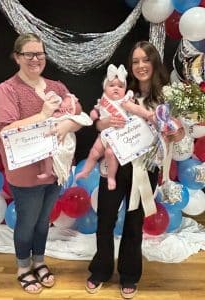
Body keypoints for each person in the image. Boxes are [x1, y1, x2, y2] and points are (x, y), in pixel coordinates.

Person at [0, 33, 86, 294]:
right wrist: (42, 115)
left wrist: (67, 123)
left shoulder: (57, 86)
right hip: (25, 172)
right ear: (17, 57)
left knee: (44, 222)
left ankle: (39, 260)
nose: (35, 59)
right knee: (28, 222)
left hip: (55, 169)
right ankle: (23, 267)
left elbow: (79, 115)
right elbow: (5, 130)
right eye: (29, 54)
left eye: (40, 54)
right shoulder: (6, 90)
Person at [85, 41, 171, 299]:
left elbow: (171, 133)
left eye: (145, 60)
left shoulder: (166, 96)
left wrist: (173, 130)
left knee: (134, 225)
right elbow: (99, 124)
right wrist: (104, 122)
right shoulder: (121, 89)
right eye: (135, 61)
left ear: (154, 62)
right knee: (105, 220)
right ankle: (100, 270)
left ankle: (129, 274)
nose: (141, 65)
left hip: (145, 169)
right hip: (113, 165)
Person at [75, 64, 155, 190]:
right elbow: (96, 111)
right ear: (105, 88)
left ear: (125, 89)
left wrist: (148, 114)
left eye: (120, 86)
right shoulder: (103, 99)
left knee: (110, 154)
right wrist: (93, 115)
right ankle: (86, 171)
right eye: (112, 85)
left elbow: (136, 109)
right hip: (104, 135)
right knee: (94, 152)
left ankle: (111, 177)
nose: (116, 88)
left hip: (119, 136)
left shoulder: (124, 101)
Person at [37, 91, 82, 180]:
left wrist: (60, 113)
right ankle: (49, 170)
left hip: (61, 141)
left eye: (64, 101)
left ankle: (49, 171)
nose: (62, 102)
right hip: (52, 136)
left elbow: (56, 118)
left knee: (50, 154)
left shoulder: (66, 116)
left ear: (69, 109)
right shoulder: (60, 110)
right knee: (47, 154)